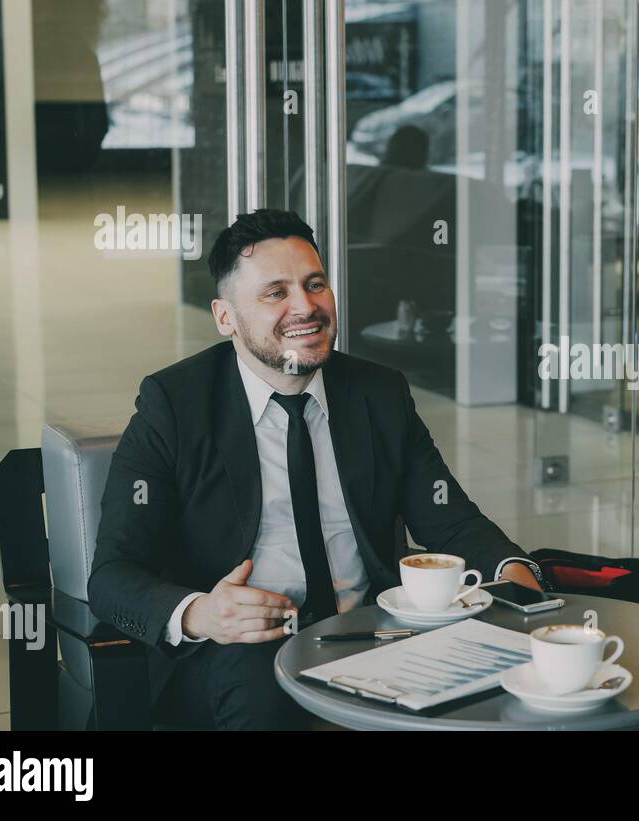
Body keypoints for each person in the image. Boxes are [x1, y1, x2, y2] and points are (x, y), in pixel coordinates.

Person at [89, 209, 544, 729]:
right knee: (263, 695)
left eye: (315, 284)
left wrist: (514, 573)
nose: (305, 307)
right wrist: (200, 613)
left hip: (374, 629)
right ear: (225, 317)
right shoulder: (175, 404)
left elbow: (451, 521)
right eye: (275, 292)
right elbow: (112, 576)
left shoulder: (378, 393)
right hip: (240, 644)